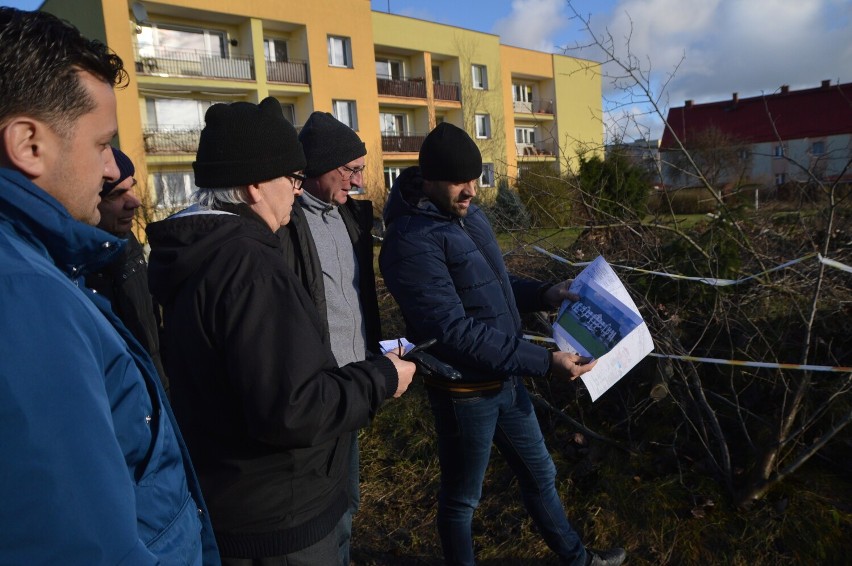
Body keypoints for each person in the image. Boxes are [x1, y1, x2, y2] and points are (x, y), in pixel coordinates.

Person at [146, 97, 416, 565]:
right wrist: (384, 378)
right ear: (253, 186)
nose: (297, 190)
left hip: (241, 499)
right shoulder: (249, 266)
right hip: (282, 520)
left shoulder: (201, 254)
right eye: (291, 179)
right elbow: (296, 409)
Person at [0, 7, 218, 564]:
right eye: (102, 145)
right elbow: (79, 546)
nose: (107, 170)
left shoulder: (38, 266)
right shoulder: (25, 297)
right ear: (28, 144)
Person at [379, 122, 627, 566]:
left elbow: (493, 284)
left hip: (507, 378)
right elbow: (453, 330)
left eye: (475, 178)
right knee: (462, 501)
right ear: (430, 178)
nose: (471, 190)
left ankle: (579, 562)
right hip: (464, 393)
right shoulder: (410, 242)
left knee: (541, 475)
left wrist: (545, 293)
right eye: (460, 181)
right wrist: (544, 362)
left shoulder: (465, 214)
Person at [282, 111, 382, 566]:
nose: (358, 182)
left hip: (355, 382)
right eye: (352, 171)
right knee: (324, 514)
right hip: (318, 391)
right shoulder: (285, 226)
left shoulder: (351, 217)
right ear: (321, 167)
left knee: (350, 501)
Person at [87, 147, 169, 392]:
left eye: (132, 187)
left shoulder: (129, 244)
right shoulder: (77, 266)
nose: (135, 201)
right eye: (117, 194)